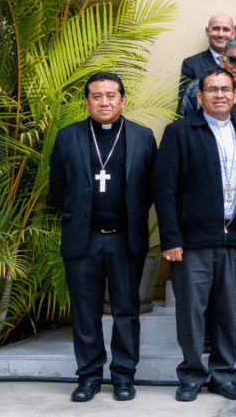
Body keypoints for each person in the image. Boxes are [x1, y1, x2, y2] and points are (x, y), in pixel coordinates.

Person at [153, 68, 236, 402]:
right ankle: (190, 375)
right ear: (199, 96)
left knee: (229, 314)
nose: (219, 95)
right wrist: (171, 238)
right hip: (192, 244)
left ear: (235, 95)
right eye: (211, 89)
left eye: (225, 89)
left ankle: (224, 376)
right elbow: (165, 189)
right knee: (191, 312)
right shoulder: (180, 132)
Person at [49, 73, 157, 402]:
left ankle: (123, 376)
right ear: (86, 101)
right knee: (85, 312)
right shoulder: (68, 137)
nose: (104, 102)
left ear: (123, 100)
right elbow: (56, 189)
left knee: (126, 311)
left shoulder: (142, 136)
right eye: (97, 96)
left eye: (111, 95)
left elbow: (152, 188)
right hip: (84, 239)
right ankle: (89, 377)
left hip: (126, 239)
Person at [179, 36, 236, 351]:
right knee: (200, 290)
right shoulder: (198, 90)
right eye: (234, 60)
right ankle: (204, 342)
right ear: (222, 60)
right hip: (202, 206)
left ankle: (234, 336)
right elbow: (184, 139)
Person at [179, 12, 236, 96]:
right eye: (216, 28)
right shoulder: (191, 64)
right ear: (207, 31)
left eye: (226, 29)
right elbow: (186, 101)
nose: (220, 34)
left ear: (233, 34)